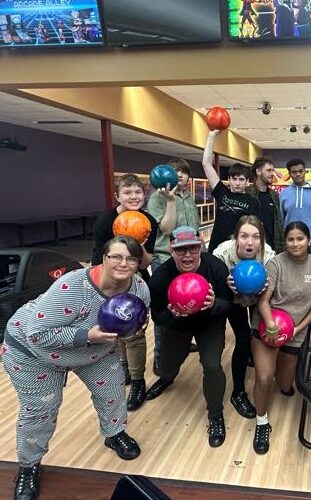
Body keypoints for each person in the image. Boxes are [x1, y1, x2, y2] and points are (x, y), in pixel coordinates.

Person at [3, 236, 150, 500]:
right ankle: (28, 466)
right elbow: (36, 333)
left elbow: (134, 326)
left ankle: (114, 433)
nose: (123, 263)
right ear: (103, 258)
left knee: (113, 389)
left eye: (131, 258)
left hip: (94, 350)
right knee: (41, 410)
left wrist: (134, 330)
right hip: (31, 350)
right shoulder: (71, 286)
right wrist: (87, 336)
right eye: (116, 256)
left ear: (139, 263)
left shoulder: (139, 289)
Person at [251, 221, 311, 454]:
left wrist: (298, 329)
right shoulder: (276, 263)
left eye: (300, 239)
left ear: (308, 240)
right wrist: (270, 324)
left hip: (295, 331)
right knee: (264, 378)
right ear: (285, 242)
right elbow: (263, 300)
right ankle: (261, 422)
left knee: (285, 385)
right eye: (290, 239)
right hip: (267, 326)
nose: (295, 244)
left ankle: (277, 365)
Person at [145, 226, 233, 447]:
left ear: (201, 246)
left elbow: (228, 305)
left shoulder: (216, 267)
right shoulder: (161, 277)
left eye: (193, 249)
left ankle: (215, 415)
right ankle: (166, 379)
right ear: (170, 250)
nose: (187, 256)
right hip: (177, 326)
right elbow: (157, 316)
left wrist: (213, 304)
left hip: (209, 324)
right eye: (180, 250)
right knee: (167, 366)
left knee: (212, 366)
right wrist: (172, 315)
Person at [92, 173, 158, 411]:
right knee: (114, 326)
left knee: (134, 332)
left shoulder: (149, 221)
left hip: (136, 279)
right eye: (127, 192)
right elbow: (101, 258)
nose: (133, 196)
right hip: (107, 279)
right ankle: (124, 367)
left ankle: (138, 380)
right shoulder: (106, 221)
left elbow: (145, 261)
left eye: (138, 192)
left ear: (144, 195)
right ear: (117, 196)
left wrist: (139, 242)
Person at [213, 215, 276, 419]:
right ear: (236, 237)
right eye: (244, 236)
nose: (250, 242)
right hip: (232, 300)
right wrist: (226, 286)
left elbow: (273, 292)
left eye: (256, 237)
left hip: (258, 298)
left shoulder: (269, 256)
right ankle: (238, 392)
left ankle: (253, 357)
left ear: (262, 239)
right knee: (243, 338)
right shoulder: (221, 254)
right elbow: (214, 290)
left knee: (255, 336)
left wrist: (267, 290)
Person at [147, 158, 201, 375]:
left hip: (190, 258)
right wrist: (170, 201)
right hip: (165, 257)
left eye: (184, 172)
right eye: (175, 171)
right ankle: (159, 355)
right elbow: (166, 229)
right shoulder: (157, 197)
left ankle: (184, 340)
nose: (180, 175)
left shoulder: (188, 196)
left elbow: (195, 228)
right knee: (164, 308)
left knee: (189, 300)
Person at [202, 129, 261, 253]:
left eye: (241, 179)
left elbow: (255, 230)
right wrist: (211, 135)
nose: (237, 183)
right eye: (234, 179)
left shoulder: (252, 202)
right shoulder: (222, 193)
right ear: (229, 180)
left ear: (247, 181)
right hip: (216, 249)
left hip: (238, 251)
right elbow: (206, 164)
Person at [245, 157, 285, 254]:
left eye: (273, 170)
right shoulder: (247, 194)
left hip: (273, 249)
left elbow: (278, 223)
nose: (272, 174)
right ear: (258, 171)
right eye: (269, 170)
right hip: (252, 248)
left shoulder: (274, 195)